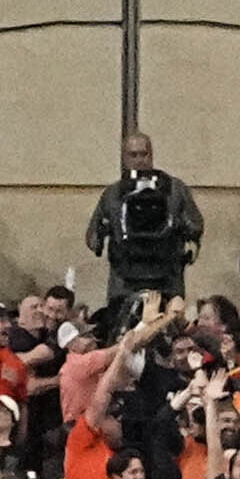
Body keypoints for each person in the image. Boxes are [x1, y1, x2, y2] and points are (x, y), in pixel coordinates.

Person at [84, 130, 201, 330]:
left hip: (167, 278)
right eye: (133, 154)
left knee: (169, 338)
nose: (139, 160)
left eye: (143, 154)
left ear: (152, 155)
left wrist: (181, 230)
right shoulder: (113, 194)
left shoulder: (174, 189)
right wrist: (103, 232)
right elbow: (92, 237)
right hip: (124, 280)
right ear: (124, 157)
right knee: (122, 335)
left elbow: (196, 226)